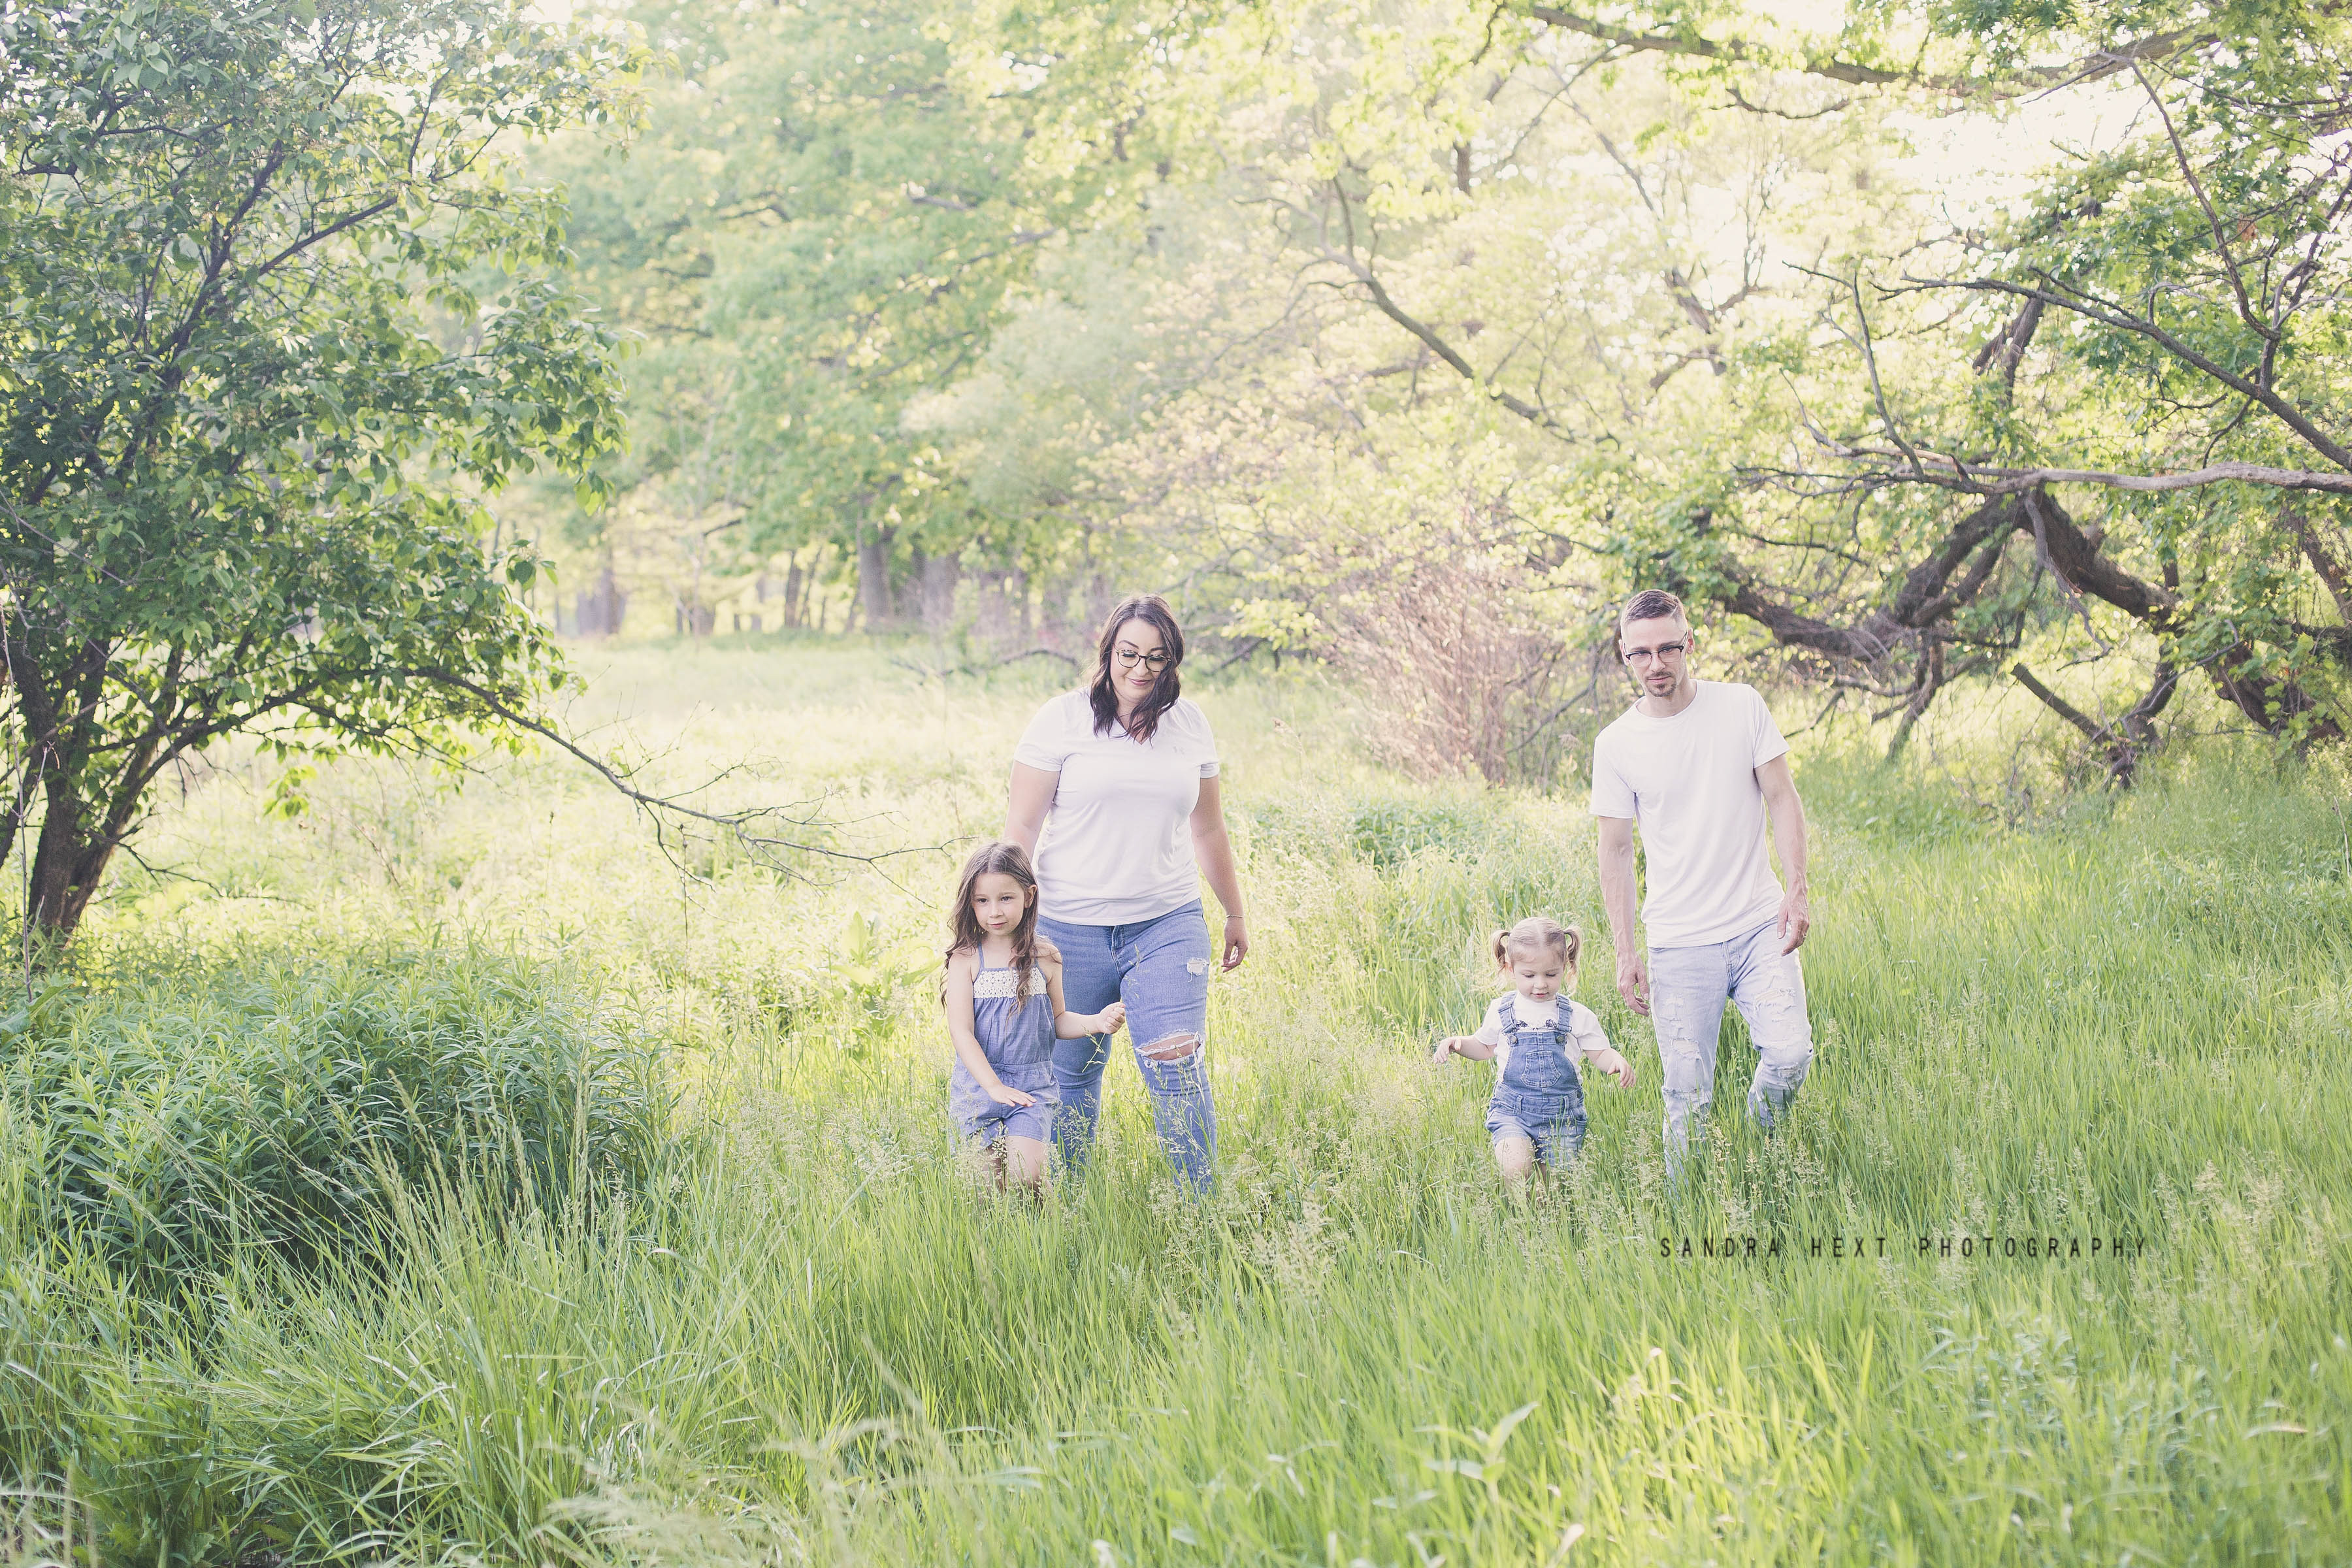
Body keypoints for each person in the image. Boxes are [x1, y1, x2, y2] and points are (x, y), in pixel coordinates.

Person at [1004, 593, 1248, 1190]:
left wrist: (1234, 911)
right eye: (1129, 654)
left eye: (1156, 659)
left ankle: (1201, 1220)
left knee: (1177, 1072)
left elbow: (1208, 827)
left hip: (1165, 924)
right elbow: (1021, 828)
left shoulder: (1189, 725)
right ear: (1107, 652)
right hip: (1067, 929)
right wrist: (1010, 923)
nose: (1140, 670)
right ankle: (1068, 1210)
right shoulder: (1060, 720)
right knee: (1070, 1078)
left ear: (1172, 663)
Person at [1592, 589, 1815, 1180]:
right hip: (1680, 941)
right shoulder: (1615, 745)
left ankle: (1754, 1148)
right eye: (1640, 654)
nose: (1656, 664)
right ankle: (1685, 1209)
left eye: (1668, 648)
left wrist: (1797, 889)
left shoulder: (1740, 706)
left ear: (1690, 643)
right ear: (1624, 655)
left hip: (1759, 924)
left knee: (1792, 1055)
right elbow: (1614, 850)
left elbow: (1782, 798)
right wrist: (1625, 952)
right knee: (1686, 1096)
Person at [940, 841, 1128, 1194]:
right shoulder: (966, 959)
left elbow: (1057, 1020)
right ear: (971, 903)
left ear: (1029, 896)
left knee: (1029, 1179)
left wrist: (1096, 1023)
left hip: (1031, 1086)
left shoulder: (1045, 956)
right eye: (983, 901)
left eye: (1005, 898)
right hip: (979, 1084)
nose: (994, 911)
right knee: (985, 1191)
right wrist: (993, 1087)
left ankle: (1044, 1240)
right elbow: (961, 1032)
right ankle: (992, 1249)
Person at [1433, 917, 1635, 1190]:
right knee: (1516, 1169)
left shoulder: (1577, 1015)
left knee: (1551, 1192)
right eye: (1530, 976)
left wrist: (1617, 1061)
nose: (1540, 984)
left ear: (1566, 967)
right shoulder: (1502, 1010)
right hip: (1513, 1111)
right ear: (1510, 968)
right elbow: (1484, 1047)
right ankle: (1519, 1218)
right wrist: (1458, 1043)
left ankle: (1540, 1224)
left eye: (1551, 974)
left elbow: (1600, 1053)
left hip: (1562, 1118)